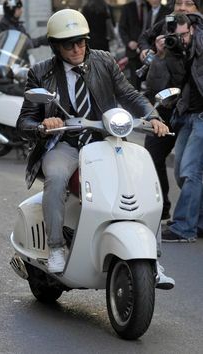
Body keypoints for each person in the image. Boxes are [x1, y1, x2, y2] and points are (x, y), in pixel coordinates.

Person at [17, 9, 174, 288]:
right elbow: (24, 120)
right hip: (65, 143)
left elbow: (128, 93)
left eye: (82, 41)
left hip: (105, 140)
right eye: (69, 44)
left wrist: (152, 116)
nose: (77, 48)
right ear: (55, 46)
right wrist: (43, 124)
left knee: (141, 181)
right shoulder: (40, 72)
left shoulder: (104, 60)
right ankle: (55, 247)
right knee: (55, 178)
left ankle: (153, 259)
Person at [138, 0, 202, 220]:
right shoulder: (167, 26)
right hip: (167, 108)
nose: (182, 8)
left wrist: (188, 45)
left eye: (189, 3)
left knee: (189, 171)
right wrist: (152, 51)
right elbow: (145, 38)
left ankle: (190, 221)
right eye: (179, 2)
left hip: (193, 111)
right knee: (154, 157)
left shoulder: (199, 34)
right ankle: (161, 208)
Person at [119, 0, 150, 90]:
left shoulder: (149, 6)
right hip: (132, 50)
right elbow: (122, 28)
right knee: (135, 81)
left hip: (147, 50)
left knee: (149, 79)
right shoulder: (127, 7)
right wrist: (128, 42)